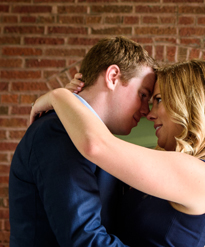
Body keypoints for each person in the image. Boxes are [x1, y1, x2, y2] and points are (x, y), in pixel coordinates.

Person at [29, 59, 205, 247]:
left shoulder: (200, 174)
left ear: (190, 103)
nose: (149, 114)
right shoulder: (187, 170)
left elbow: (96, 145)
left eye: (158, 100)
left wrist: (60, 97)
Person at [8, 36, 156, 247]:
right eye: (143, 94)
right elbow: (84, 239)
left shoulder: (94, 135)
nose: (145, 111)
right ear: (113, 76)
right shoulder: (60, 131)